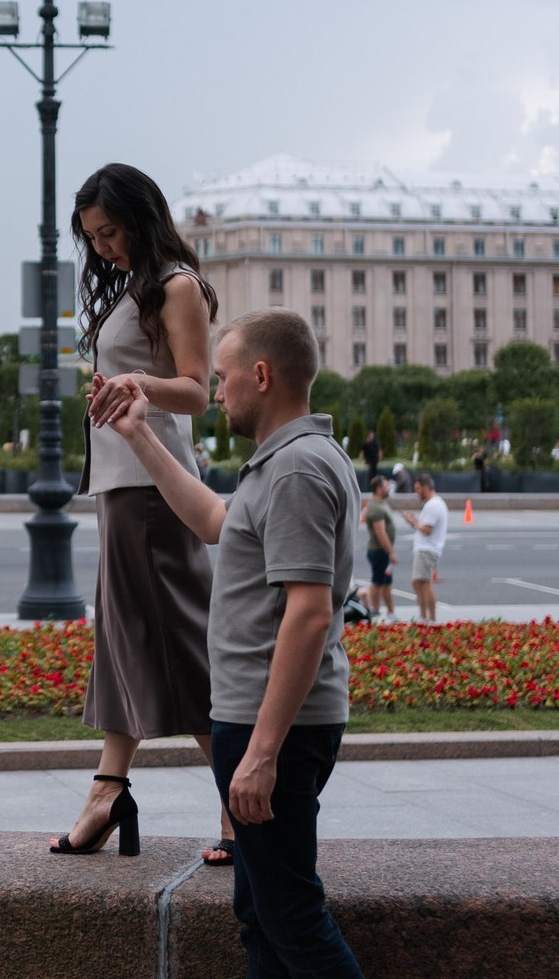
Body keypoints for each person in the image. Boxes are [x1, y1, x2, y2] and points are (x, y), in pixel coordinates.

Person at [107, 307, 365, 978]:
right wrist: (139, 435)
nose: (214, 393)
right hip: (253, 717)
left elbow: (308, 615)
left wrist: (262, 753)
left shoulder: (298, 470)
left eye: (221, 380)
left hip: (267, 722)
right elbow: (214, 521)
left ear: (260, 374)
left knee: (293, 919)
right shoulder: (283, 462)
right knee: (262, 919)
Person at [52, 163, 233, 866]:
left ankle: (241, 799)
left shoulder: (176, 286)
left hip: (157, 490)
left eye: (111, 231)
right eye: (92, 237)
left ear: (141, 218)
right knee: (125, 640)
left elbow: (194, 391)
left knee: (180, 645)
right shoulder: (130, 287)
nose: (102, 247)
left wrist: (136, 382)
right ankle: (108, 787)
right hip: (121, 487)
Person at [402, 472, 447, 624]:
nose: (416, 493)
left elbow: (427, 529)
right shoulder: (435, 503)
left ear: (426, 487)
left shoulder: (433, 504)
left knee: (423, 582)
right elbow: (425, 527)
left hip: (427, 548)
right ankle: (424, 616)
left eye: (418, 489)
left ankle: (430, 618)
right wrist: (414, 521)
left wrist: (414, 522)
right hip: (427, 548)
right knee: (418, 582)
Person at [364, 475, 398, 621]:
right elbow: (380, 532)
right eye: (385, 486)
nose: (388, 488)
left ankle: (390, 612)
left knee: (386, 582)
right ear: (378, 489)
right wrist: (390, 552)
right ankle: (374, 611)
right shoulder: (376, 507)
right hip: (379, 550)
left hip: (383, 551)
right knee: (377, 582)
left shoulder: (381, 503)